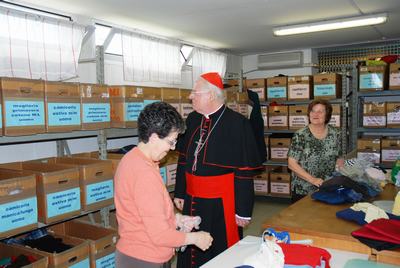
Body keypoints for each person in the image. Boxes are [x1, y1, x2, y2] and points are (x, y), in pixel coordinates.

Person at [174, 72, 264, 267]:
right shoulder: (192, 120)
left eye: (194, 92)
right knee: (191, 249)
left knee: (220, 249)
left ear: (211, 95)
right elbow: (183, 159)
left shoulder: (237, 123)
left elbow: (244, 170)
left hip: (221, 203)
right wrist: (179, 191)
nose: (190, 96)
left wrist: (243, 210)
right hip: (191, 197)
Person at [114, 102, 213, 268]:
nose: (172, 148)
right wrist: (195, 238)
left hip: (138, 254)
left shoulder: (133, 158)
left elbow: (143, 215)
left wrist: (177, 220)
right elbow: (160, 235)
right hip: (144, 258)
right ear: (153, 137)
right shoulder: (144, 173)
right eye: (171, 141)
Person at [288, 99, 344, 202]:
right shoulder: (301, 135)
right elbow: (292, 164)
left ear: (327, 115)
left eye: (320, 111)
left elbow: (339, 158)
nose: (315, 114)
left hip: (327, 187)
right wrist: (312, 179)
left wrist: (339, 176)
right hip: (304, 189)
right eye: (313, 111)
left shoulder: (336, 133)